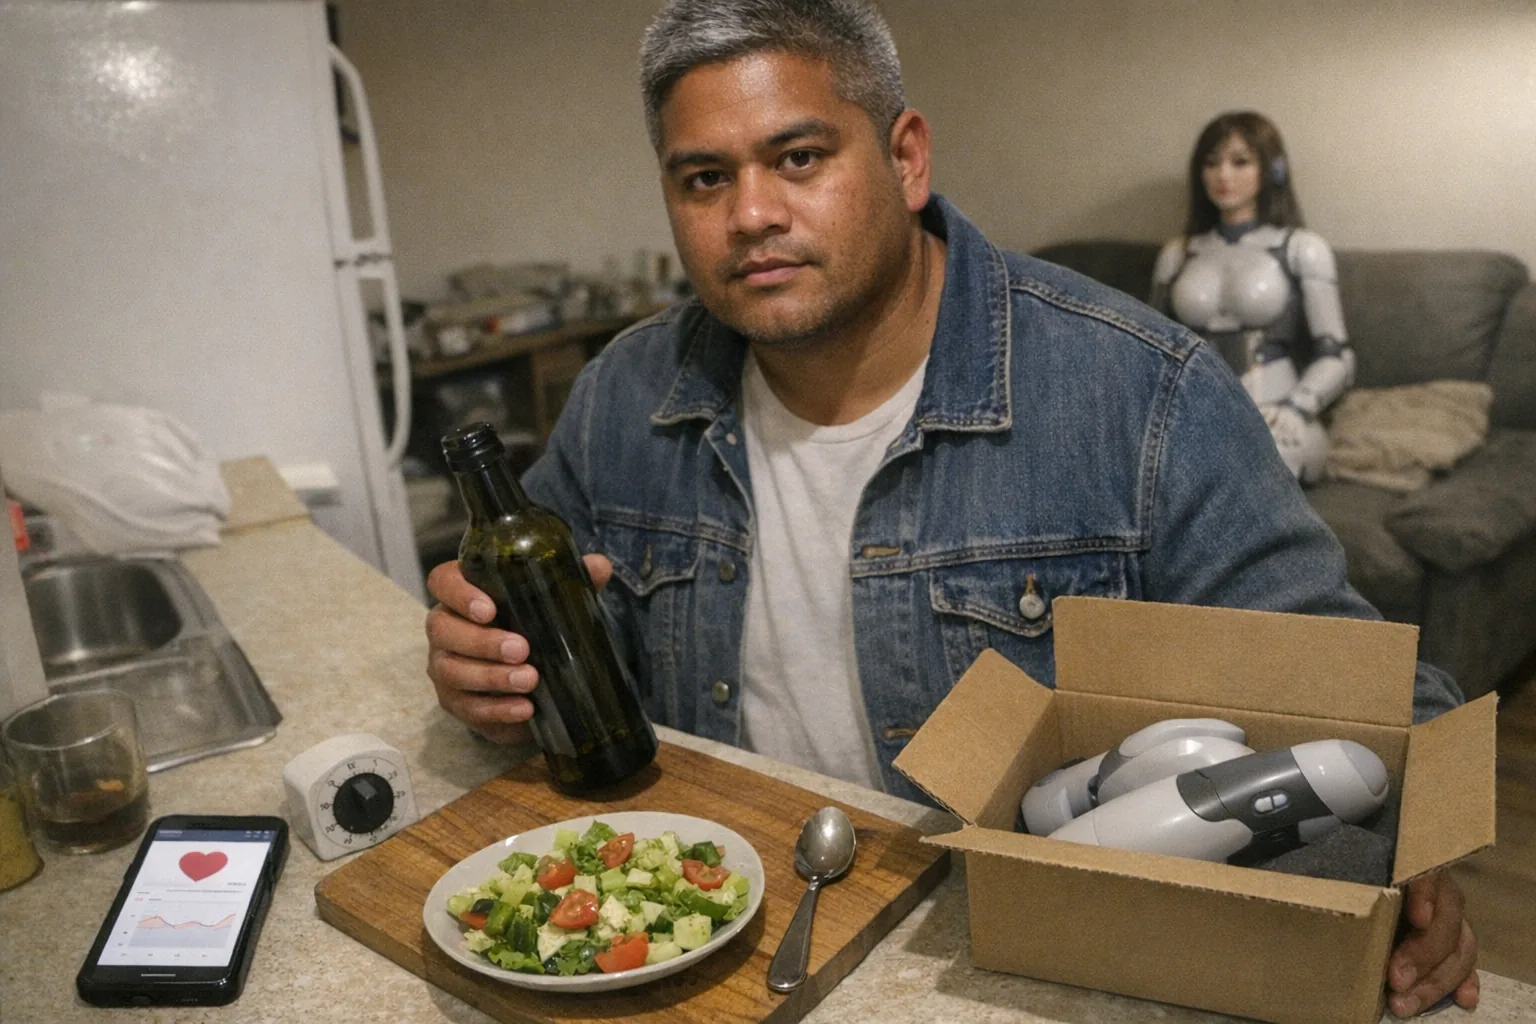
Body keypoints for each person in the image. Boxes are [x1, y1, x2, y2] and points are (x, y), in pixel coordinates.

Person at [423, 1, 1477, 1015]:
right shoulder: (621, 395)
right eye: (705, 177)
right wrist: (487, 659)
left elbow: (1375, 707)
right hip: (710, 939)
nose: (750, 215)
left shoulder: (1139, 392)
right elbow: (567, 624)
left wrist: (1421, 867)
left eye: (798, 158)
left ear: (907, 157)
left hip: (1021, 958)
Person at [1150, 112, 1354, 484]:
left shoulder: (1302, 249)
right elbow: (1149, 348)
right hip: (1193, 413)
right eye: (1211, 163)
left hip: (1277, 414)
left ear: (1272, 169)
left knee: (1255, 474)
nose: (1223, 175)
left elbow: (1338, 355)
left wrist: (1300, 405)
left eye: (1240, 161)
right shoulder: (1177, 254)